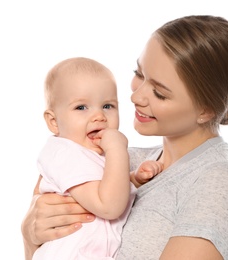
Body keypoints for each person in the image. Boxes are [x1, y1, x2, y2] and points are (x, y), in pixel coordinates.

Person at [22, 15, 228, 260]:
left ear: (205, 110)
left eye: (159, 93)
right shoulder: (113, 159)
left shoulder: (218, 181)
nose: (135, 97)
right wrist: (30, 240)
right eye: (139, 73)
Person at [32, 57, 163, 259]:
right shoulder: (65, 154)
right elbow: (109, 206)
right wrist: (118, 150)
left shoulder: (88, 155)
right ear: (53, 122)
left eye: (108, 106)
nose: (99, 116)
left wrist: (133, 179)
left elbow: (102, 187)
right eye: (81, 107)